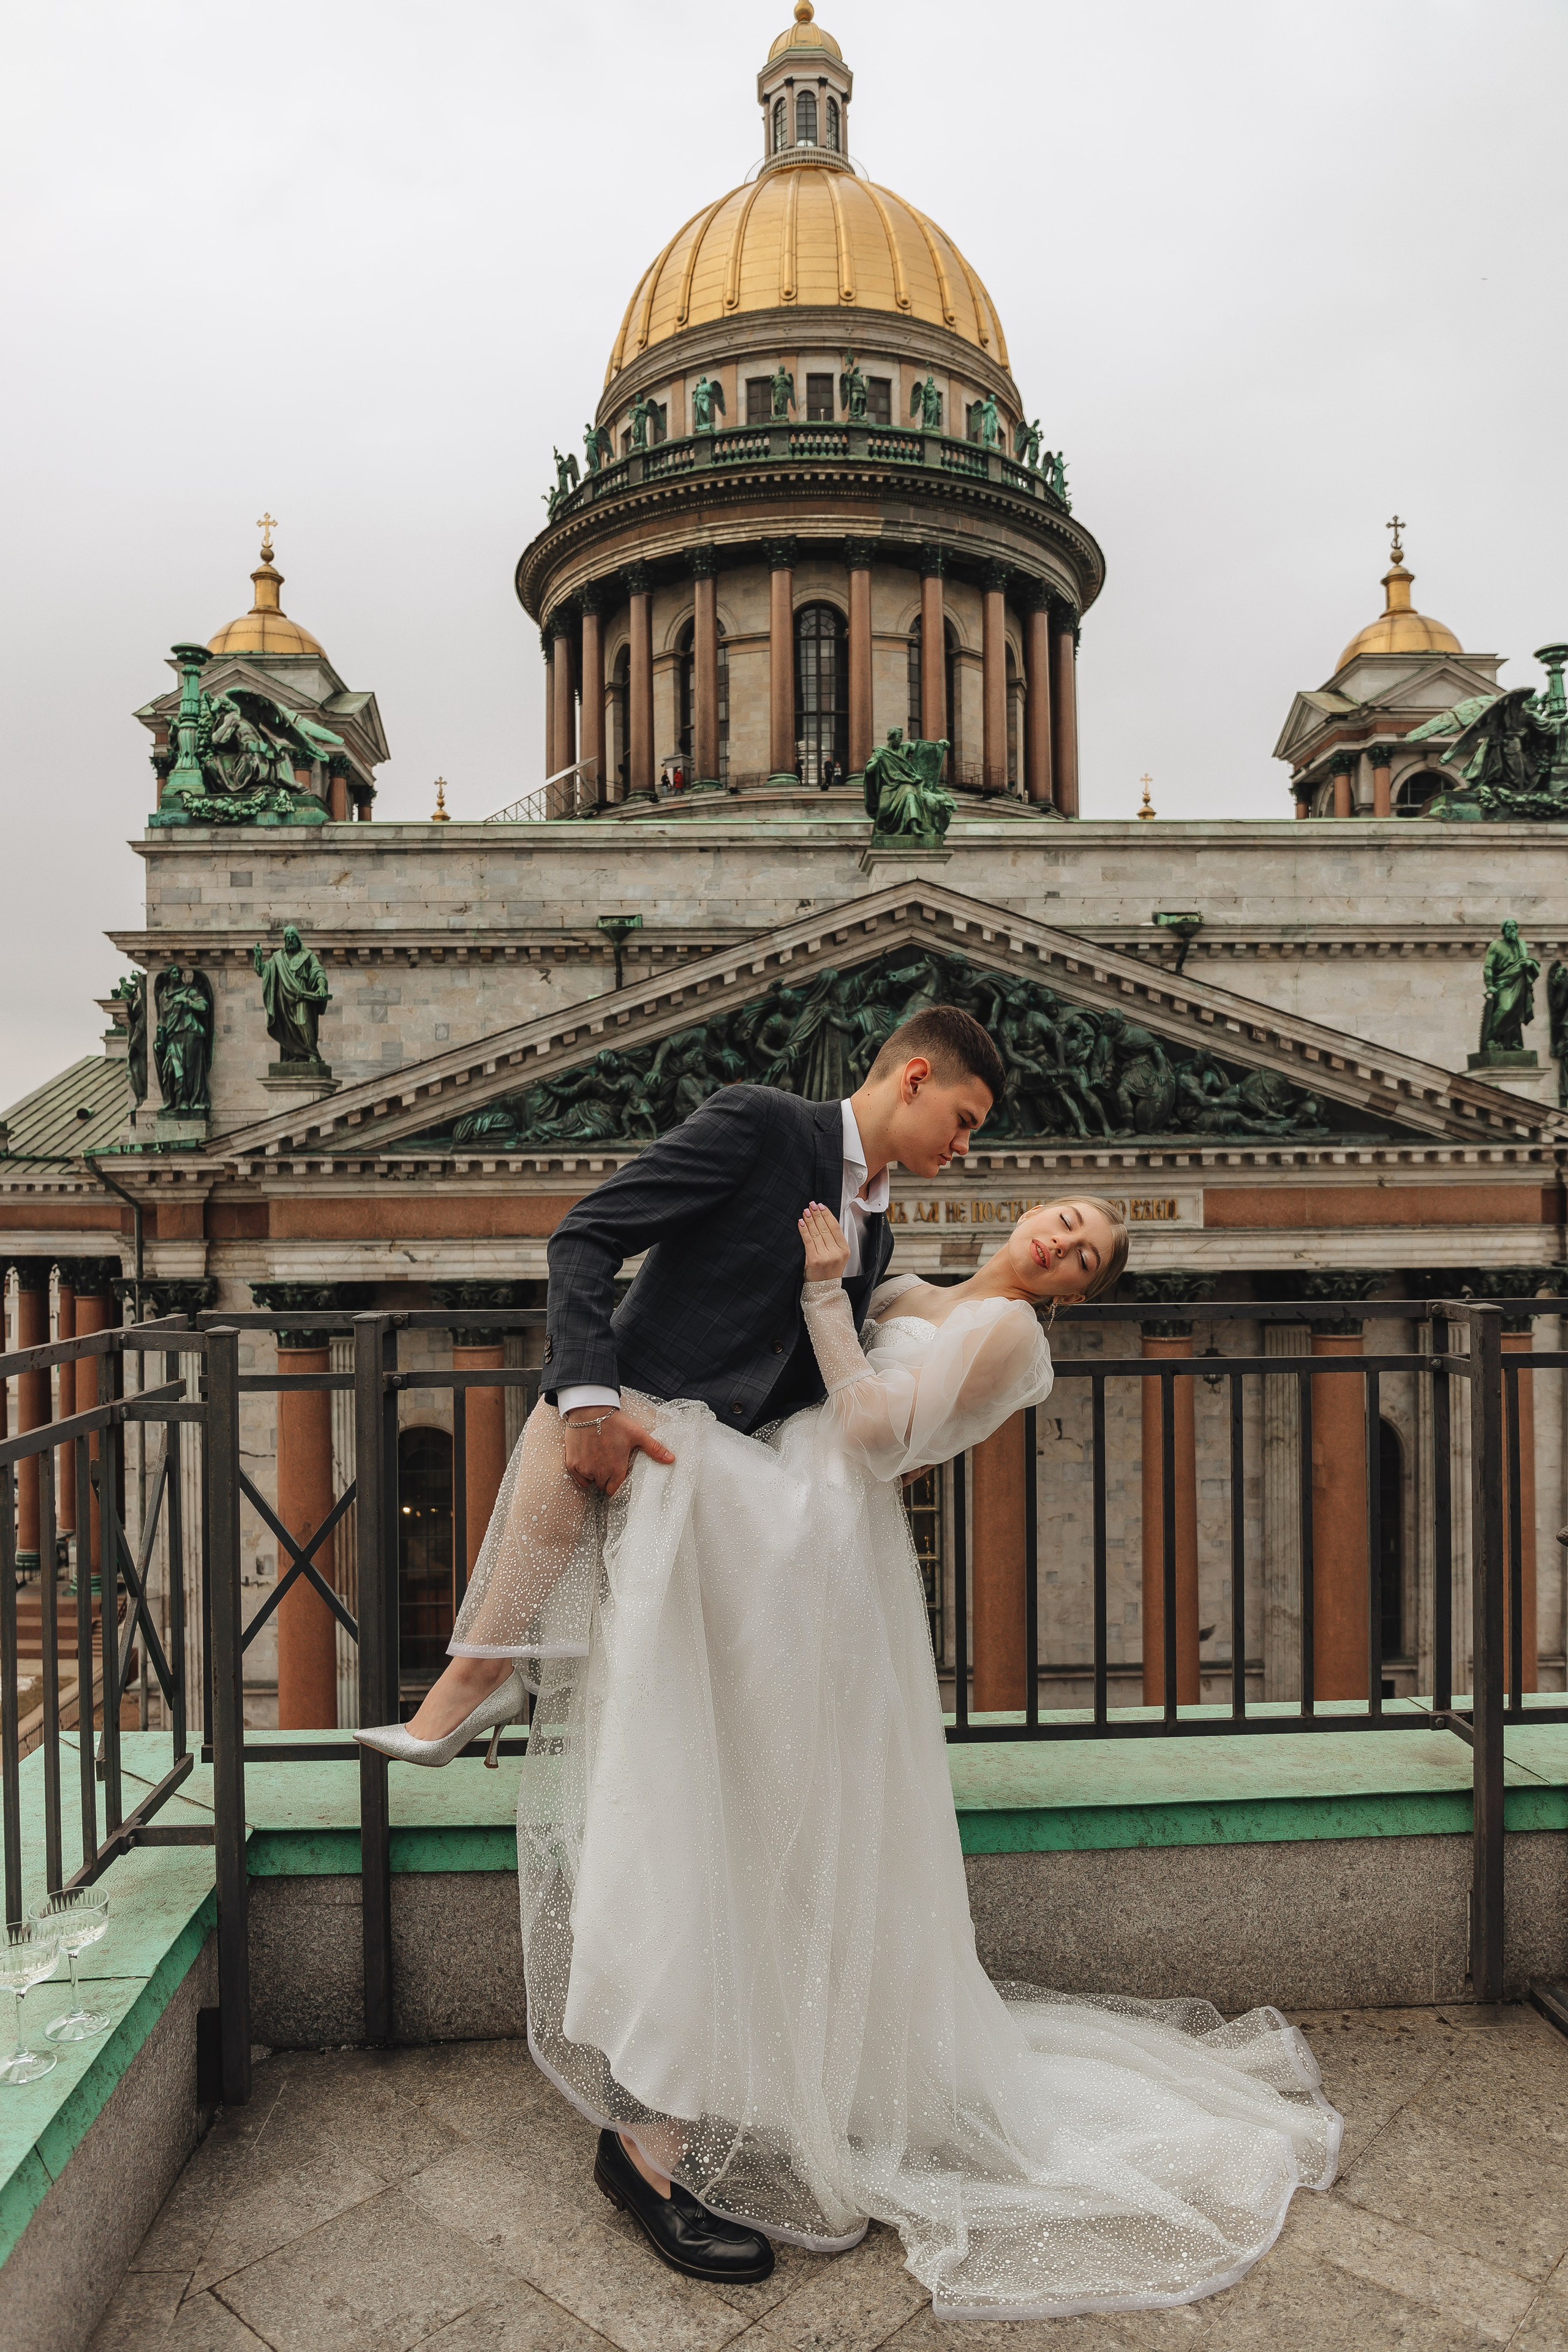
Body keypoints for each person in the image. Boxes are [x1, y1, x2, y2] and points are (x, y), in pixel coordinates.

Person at [356, 1011, 1339, 2319]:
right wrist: (611, 1385)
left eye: (1083, 1252)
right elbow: (620, 1251)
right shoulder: (822, 1183)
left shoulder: (947, 1296)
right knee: (692, 1785)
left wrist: (824, 1311)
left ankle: (494, 1705)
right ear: (913, 1077)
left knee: (728, 1801)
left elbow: (868, 1412)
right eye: (976, 1135)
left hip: (802, 1533)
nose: (996, 1181)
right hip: (772, 1512)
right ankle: (646, 2077)